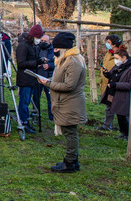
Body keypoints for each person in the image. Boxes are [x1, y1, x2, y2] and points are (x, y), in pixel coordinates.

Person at [37, 32, 87, 173]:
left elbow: (69, 86)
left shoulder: (73, 62)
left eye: (56, 47)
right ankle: (72, 160)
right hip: (65, 102)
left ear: (63, 48)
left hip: (70, 103)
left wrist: (48, 84)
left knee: (70, 133)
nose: (54, 50)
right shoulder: (66, 60)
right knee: (69, 132)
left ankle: (70, 163)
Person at [15, 24, 45, 133]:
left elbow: (32, 59)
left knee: (27, 102)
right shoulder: (23, 46)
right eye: (38, 37)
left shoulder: (33, 46)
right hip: (25, 78)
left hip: (32, 77)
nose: (39, 40)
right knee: (24, 101)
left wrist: (39, 60)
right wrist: (36, 62)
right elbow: (21, 63)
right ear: (33, 36)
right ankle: (23, 122)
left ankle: (26, 121)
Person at [103, 47, 131, 140]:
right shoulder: (118, 66)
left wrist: (116, 84)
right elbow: (113, 74)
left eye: (117, 58)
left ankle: (127, 134)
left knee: (123, 116)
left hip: (124, 96)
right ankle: (123, 133)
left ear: (124, 58)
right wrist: (108, 74)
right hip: (115, 93)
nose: (116, 61)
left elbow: (130, 85)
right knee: (119, 115)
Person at [98, 34, 121, 130]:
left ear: (114, 44)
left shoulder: (120, 55)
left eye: (108, 42)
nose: (107, 44)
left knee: (115, 105)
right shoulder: (108, 54)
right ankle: (107, 124)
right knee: (109, 105)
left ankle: (111, 125)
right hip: (106, 83)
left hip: (114, 84)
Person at [34, 33, 56, 121]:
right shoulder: (36, 48)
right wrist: (37, 64)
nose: (43, 42)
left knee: (50, 98)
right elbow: (33, 60)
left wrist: (49, 65)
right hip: (38, 77)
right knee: (36, 97)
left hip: (48, 77)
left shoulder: (53, 51)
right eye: (42, 41)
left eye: (45, 41)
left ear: (49, 42)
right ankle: (36, 114)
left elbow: (56, 63)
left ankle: (52, 116)